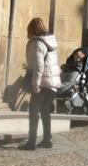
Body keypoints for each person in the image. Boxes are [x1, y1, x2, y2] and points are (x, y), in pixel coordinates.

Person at [18, 17, 60, 150]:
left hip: (42, 82)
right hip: (51, 82)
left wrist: (36, 84)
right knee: (45, 110)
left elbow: (39, 65)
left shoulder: (37, 43)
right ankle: (47, 140)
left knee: (34, 111)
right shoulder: (50, 41)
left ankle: (31, 142)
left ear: (31, 29)